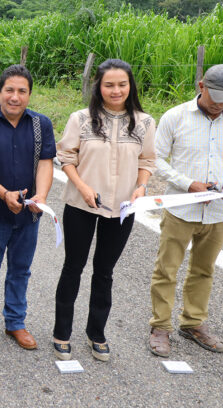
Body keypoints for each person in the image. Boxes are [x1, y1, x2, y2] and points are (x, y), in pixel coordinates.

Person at [53, 59, 155, 362]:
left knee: (105, 272)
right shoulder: (80, 119)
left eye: (122, 84)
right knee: (73, 267)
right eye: (109, 84)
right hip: (80, 205)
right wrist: (82, 187)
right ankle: (62, 332)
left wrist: (141, 187)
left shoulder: (145, 122)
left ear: (130, 86)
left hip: (122, 209)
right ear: (98, 86)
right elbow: (66, 156)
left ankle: (96, 333)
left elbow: (147, 161)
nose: (116, 90)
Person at [148, 63, 223, 357]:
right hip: (180, 208)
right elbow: (155, 159)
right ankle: (160, 326)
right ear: (201, 86)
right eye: (216, 97)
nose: (220, 104)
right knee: (166, 269)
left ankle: (193, 323)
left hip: (220, 212)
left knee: (204, 270)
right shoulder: (175, 116)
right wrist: (188, 184)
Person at [0, 65, 55, 350]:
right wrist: (4, 193)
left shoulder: (42, 124)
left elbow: (45, 162)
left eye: (22, 91)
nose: (15, 97)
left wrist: (40, 196)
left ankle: (16, 322)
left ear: (30, 94)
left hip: (29, 214)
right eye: (9, 90)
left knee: (21, 269)